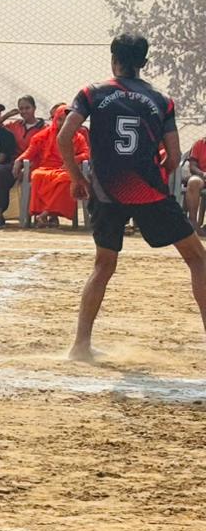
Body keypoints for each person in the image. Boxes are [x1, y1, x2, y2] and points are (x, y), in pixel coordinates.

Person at [56, 32, 206, 360]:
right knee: (197, 258)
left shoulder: (91, 93)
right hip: (148, 190)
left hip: (105, 192)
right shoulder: (161, 100)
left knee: (103, 265)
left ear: (113, 57)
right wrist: (155, 178)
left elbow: (65, 136)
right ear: (144, 63)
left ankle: (80, 345)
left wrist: (77, 177)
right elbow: (174, 154)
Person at [12, 103, 89, 227]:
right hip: (46, 168)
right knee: (37, 175)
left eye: (66, 121)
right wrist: (18, 160)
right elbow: (30, 152)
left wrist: (74, 159)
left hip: (66, 169)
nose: (62, 123)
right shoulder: (43, 135)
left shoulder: (78, 137)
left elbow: (87, 153)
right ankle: (49, 214)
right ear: (54, 119)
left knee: (69, 178)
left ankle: (44, 213)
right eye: (59, 119)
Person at [184, 134, 206, 236]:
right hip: (202, 176)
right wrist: (203, 174)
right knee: (193, 182)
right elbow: (192, 166)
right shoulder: (199, 144)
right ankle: (193, 222)